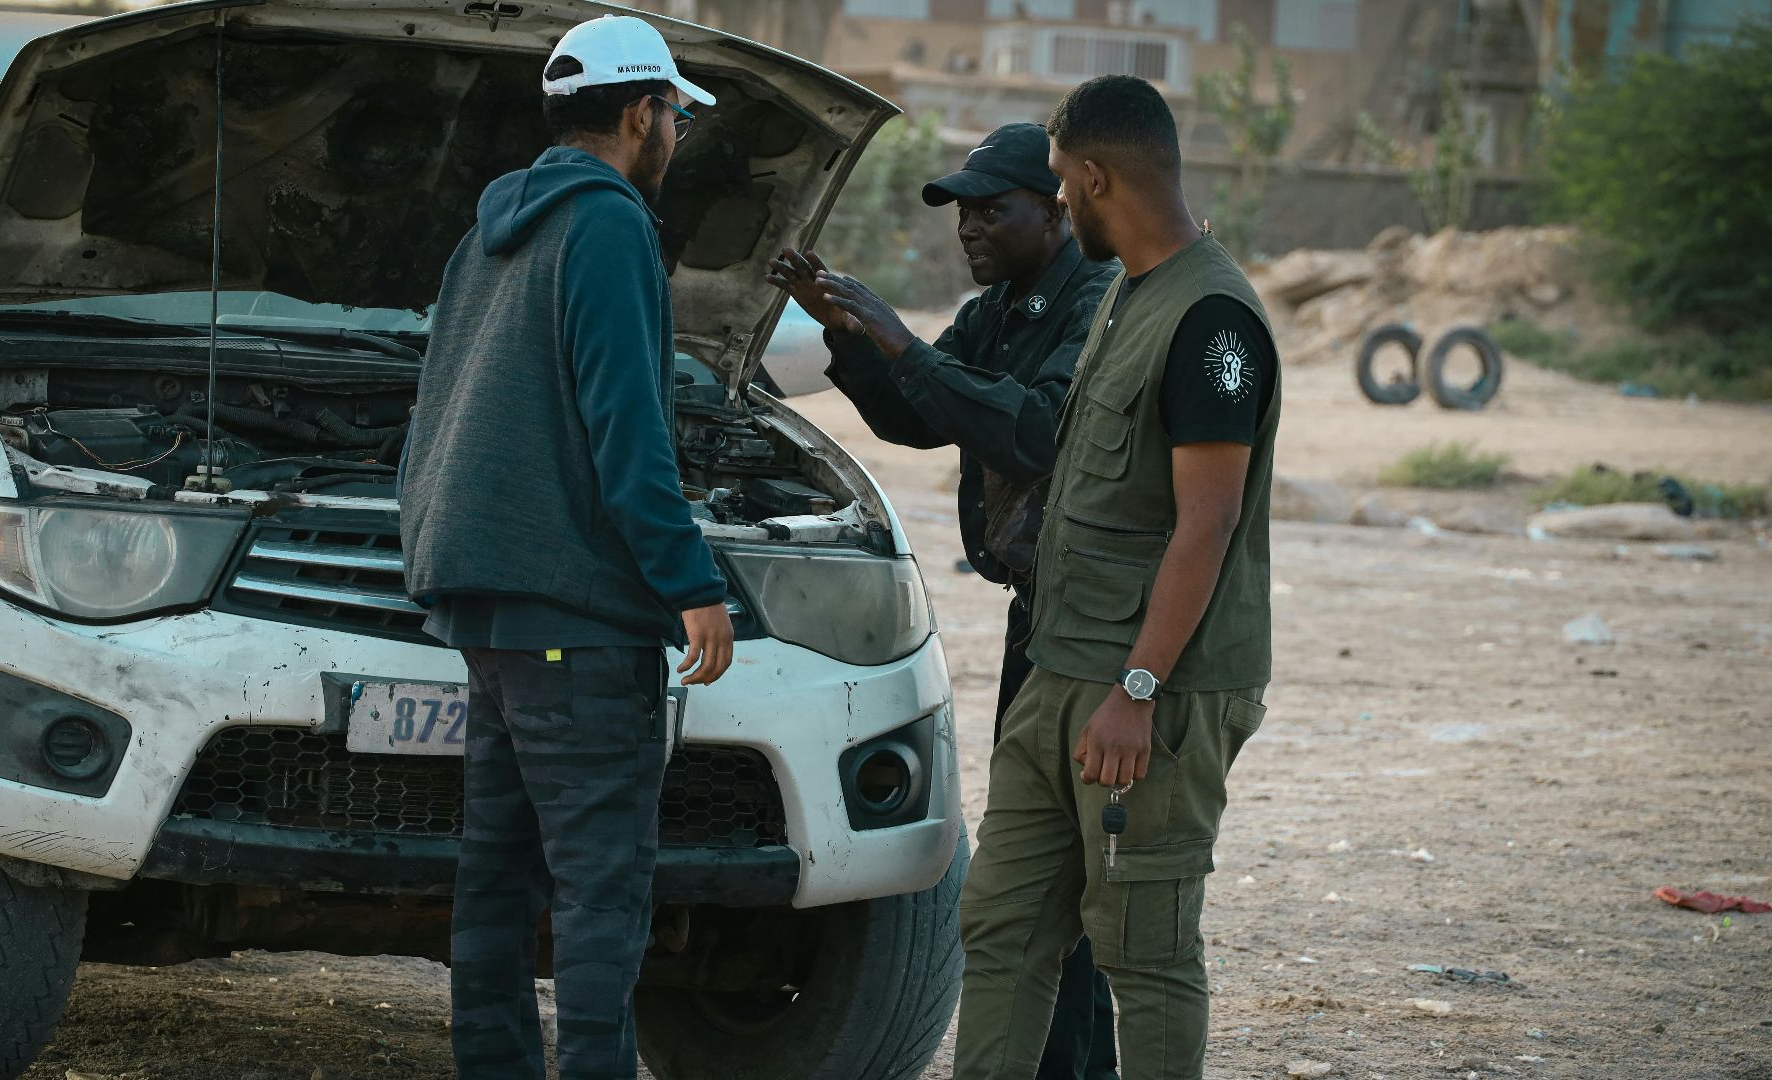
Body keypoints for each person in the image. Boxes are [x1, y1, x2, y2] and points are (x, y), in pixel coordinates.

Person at [397, 15, 733, 1080]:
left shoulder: (489, 231)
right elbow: (628, 437)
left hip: (488, 620)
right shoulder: (608, 226)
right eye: (675, 113)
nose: (675, 133)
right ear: (644, 113)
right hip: (576, 629)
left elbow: (433, 412)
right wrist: (695, 586)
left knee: (496, 885)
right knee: (599, 892)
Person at [767, 122, 1121, 1080]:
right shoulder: (1003, 305)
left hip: (1096, 622)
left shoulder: (1097, 297)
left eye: (990, 209)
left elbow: (1037, 431)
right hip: (1040, 612)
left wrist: (896, 337)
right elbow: (918, 416)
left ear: (1054, 209)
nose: (969, 228)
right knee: (1042, 865)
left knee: (1072, 872)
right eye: (963, 212)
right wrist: (845, 331)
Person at [952, 75, 1280, 1080]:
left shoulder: (1212, 320)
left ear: (1094, 176)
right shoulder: (1127, 291)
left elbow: (1208, 521)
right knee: (1000, 927)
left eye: (1061, 180)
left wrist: (1136, 690)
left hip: (1149, 698)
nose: (1060, 199)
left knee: (1146, 954)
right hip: (1063, 675)